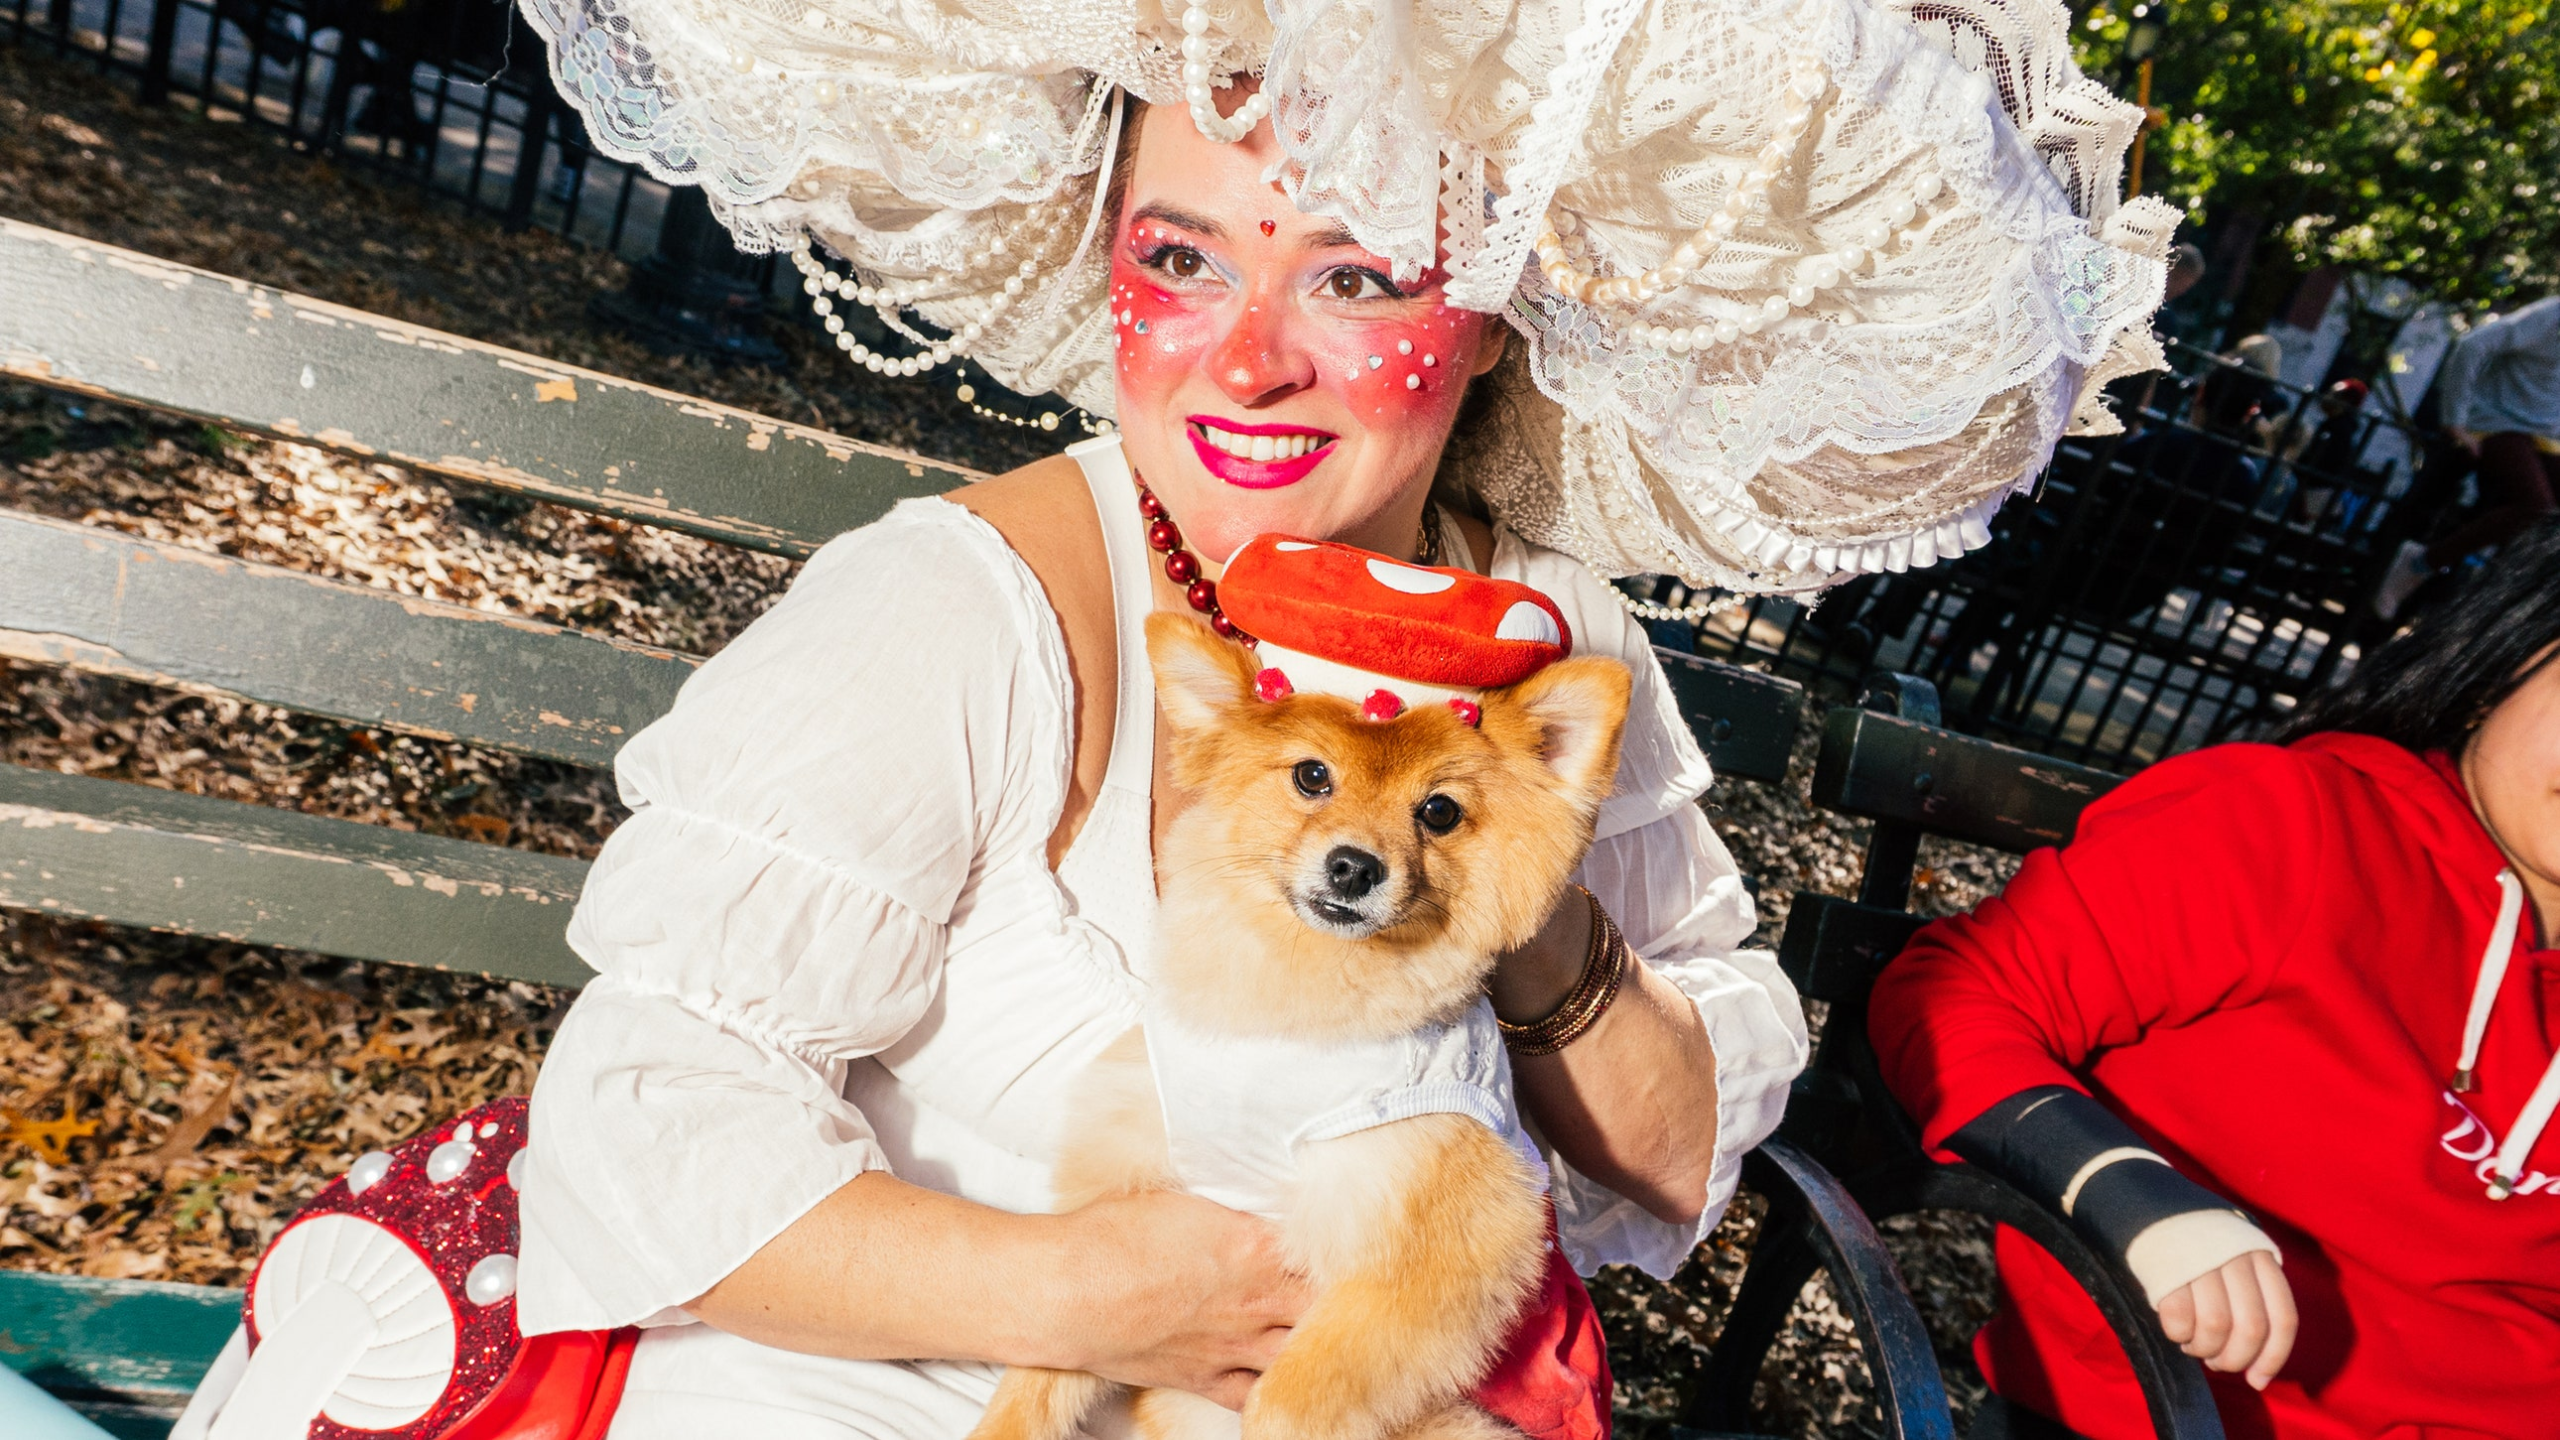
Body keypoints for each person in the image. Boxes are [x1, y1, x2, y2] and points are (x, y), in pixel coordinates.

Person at [479, 0, 2175, 1432]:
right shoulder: (965, 609)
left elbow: (1667, 1161)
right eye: (1181, 257)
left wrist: (1505, 897)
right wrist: (1078, 1294)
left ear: (1496, 313)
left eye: (1357, 279)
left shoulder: (1549, 631)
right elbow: (648, 1124)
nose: (1250, 358)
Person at [1869, 519, 2560, 1439]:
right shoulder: (2296, 825)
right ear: (2510, 658)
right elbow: (1956, 993)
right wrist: (2124, 1191)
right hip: (2176, 1410)